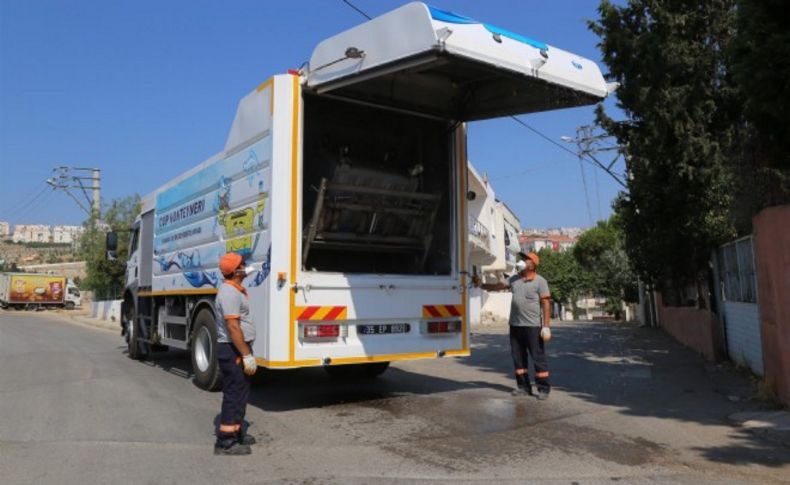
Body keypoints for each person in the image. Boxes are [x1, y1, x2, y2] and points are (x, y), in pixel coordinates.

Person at [473, 251, 552, 400]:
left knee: (538, 357)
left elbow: (546, 303)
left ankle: (543, 389)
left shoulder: (540, 281)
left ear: (533, 264)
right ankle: (523, 387)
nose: (522, 261)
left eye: (526, 259)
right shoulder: (514, 279)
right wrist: (481, 285)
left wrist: (546, 326)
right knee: (518, 358)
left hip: (533, 327)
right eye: (522, 259)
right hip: (515, 326)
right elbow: (497, 286)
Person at [214, 252, 258, 455]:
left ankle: (237, 431)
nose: (247, 266)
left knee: (241, 391)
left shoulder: (235, 290)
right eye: (243, 264)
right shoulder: (229, 293)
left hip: (238, 349)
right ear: (235, 271)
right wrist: (246, 354)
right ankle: (225, 442)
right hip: (233, 350)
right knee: (234, 393)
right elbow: (233, 327)